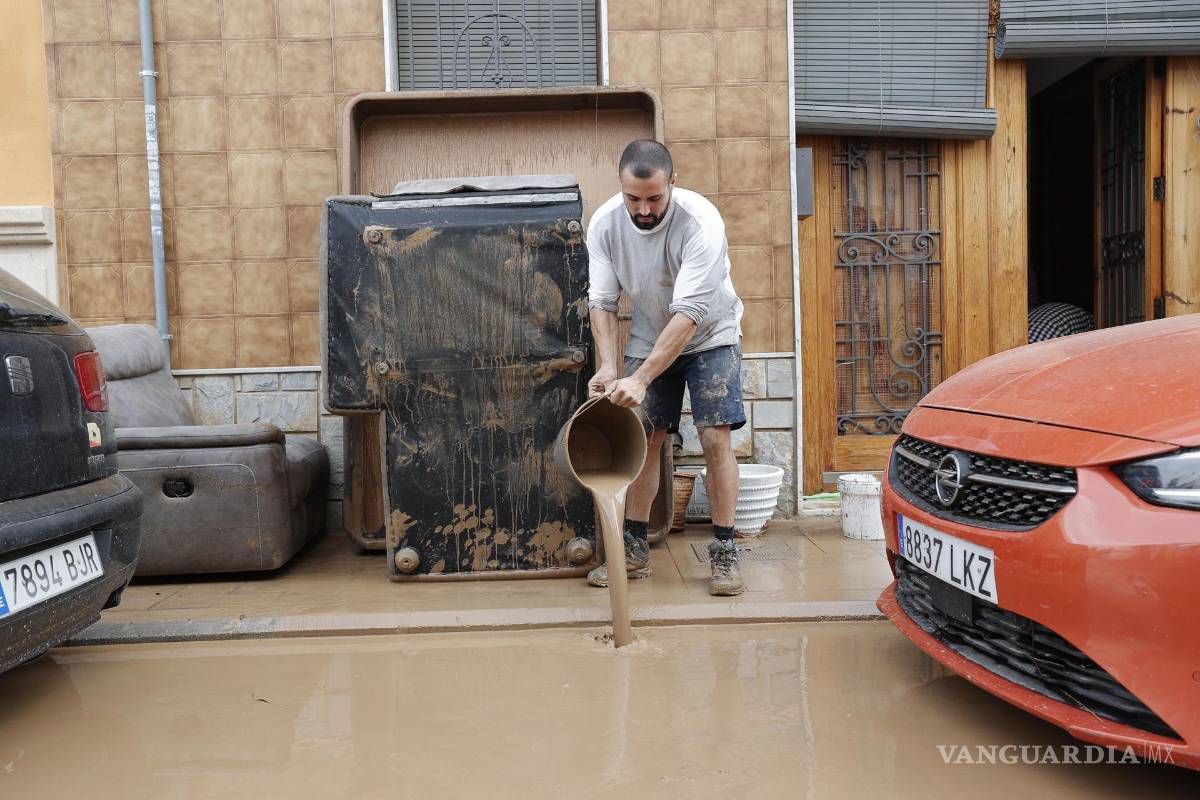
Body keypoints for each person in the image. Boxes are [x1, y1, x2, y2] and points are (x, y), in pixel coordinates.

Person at [585, 139, 746, 596]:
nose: (644, 209)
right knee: (644, 438)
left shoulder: (701, 222)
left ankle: (724, 551)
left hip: (710, 334)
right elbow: (602, 301)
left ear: (672, 182)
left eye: (655, 198)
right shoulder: (605, 224)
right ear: (621, 187)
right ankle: (634, 549)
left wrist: (640, 377)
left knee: (716, 438)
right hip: (647, 335)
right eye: (633, 198)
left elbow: (690, 313)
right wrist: (609, 366)